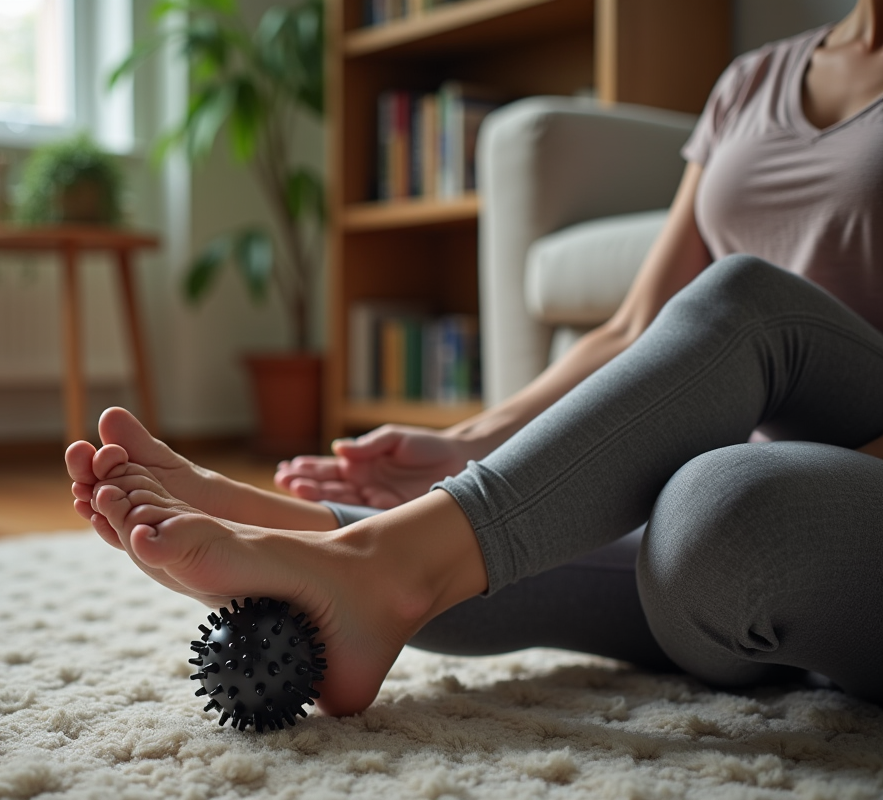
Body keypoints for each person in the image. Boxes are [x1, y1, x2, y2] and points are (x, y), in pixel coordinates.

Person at [67, 1, 883, 718]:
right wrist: (471, 442)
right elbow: (638, 324)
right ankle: (323, 541)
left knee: (732, 457)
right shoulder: (754, 80)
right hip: (746, 568)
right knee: (698, 526)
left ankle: (381, 566)